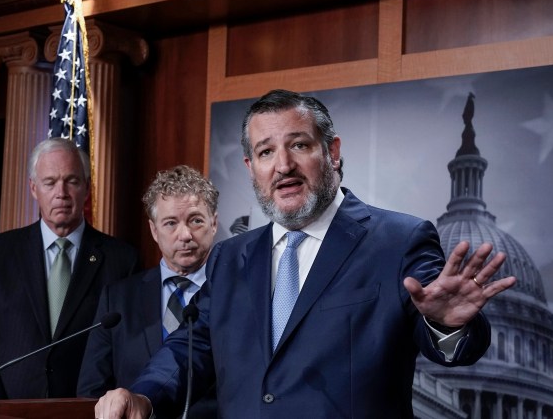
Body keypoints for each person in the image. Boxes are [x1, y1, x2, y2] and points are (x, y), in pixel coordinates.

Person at [94, 89, 517, 418]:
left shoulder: (399, 240)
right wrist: (144, 395)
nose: (283, 165)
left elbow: (453, 344)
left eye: (298, 145)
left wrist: (444, 325)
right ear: (251, 168)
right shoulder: (229, 259)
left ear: (332, 152)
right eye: (265, 152)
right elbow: (191, 348)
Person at [0, 137, 140, 401]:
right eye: (50, 182)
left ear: (87, 187)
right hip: (8, 411)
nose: (61, 193)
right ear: (33, 188)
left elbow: (129, 350)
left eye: (72, 181)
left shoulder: (122, 260)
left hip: (88, 409)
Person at [77, 165, 219, 418]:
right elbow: (92, 391)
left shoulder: (235, 294)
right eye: (171, 223)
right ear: (154, 230)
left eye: (196, 221)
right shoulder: (117, 300)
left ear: (214, 223)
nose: (185, 235)